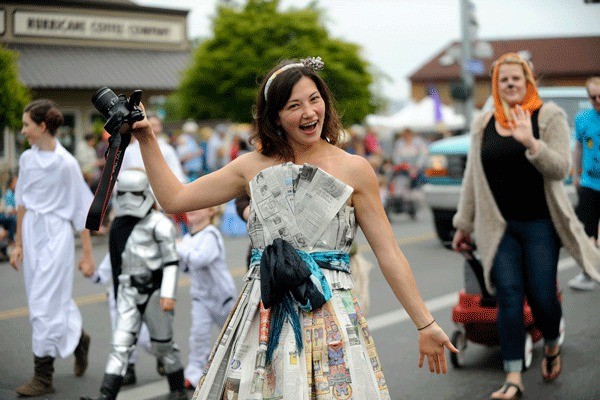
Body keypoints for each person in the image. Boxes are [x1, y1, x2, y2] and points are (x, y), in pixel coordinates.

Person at [131, 56, 457, 399]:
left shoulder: (354, 169)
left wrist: (426, 323)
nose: (309, 113)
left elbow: (389, 253)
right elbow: (174, 198)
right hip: (264, 312)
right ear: (275, 117)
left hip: (330, 311)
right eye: (294, 105)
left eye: (314, 100)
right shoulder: (250, 166)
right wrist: (147, 139)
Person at [451, 53, 600, 400]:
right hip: (499, 227)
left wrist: (531, 143)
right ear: (496, 85)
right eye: (504, 80)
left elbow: (561, 167)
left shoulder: (548, 117)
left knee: (544, 297)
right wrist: (464, 224)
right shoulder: (482, 124)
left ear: (529, 81)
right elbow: (473, 177)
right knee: (508, 297)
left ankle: (551, 343)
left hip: (540, 224)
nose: (511, 84)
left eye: (517, 78)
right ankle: (513, 376)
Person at [10, 99, 95, 397]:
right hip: (33, 233)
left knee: (44, 305)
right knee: (43, 299)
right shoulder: (27, 159)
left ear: (43, 126)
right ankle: (79, 339)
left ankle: (42, 376)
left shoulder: (66, 164)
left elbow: (81, 210)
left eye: (27, 125)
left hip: (56, 235)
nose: (23, 131)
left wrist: (86, 254)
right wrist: (17, 244)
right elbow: (21, 203)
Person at [80, 169, 187, 400]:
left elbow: (171, 262)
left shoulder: (160, 223)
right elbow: (116, 265)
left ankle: (178, 391)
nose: (129, 200)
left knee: (164, 346)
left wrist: (168, 294)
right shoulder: (118, 225)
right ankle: (105, 396)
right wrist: (118, 297)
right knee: (120, 347)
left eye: (134, 193)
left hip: (155, 292)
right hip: (129, 291)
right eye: (124, 193)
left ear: (145, 193)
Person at [176, 205, 236, 390]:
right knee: (198, 336)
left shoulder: (211, 234)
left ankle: (238, 368)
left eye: (200, 206)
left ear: (211, 211)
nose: (192, 209)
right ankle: (194, 375)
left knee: (233, 335)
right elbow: (186, 266)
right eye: (191, 206)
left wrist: (178, 249)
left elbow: (201, 258)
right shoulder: (186, 238)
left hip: (222, 297)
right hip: (200, 298)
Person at [568, 76, 600, 291]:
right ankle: (588, 272)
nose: (598, 100)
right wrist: (575, 173)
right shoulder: (583, 119)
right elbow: (578, 147)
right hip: (589, 182)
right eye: (593, 96)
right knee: (586, 229)